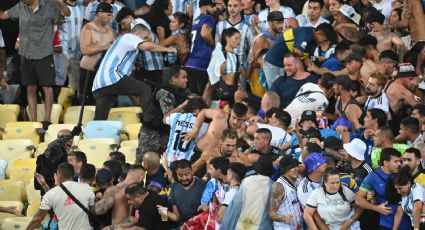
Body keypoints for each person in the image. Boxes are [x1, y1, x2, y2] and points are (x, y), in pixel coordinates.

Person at [0, 0, 70, 129]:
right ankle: (34, 120)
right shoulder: (21, 7)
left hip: (44, 53)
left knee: (47, 88)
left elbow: (67, 13)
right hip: (26, 54)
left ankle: (47, 120)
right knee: (30, 88)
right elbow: (3, 15)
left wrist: (60, 3)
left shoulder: (49, 6)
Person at [92, 23, 176, 120]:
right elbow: (146, 47)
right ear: (137, 33)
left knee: (100, 119)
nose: (146, 40)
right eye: (145, 37)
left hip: (99, 85)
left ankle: (95, 133)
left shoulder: (122, 43)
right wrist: (167, 49)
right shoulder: (129, 37)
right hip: (112, 78)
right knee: (145, 89)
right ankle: (149, 121)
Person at [138, 65, 195, 162]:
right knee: (145, 163)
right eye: (183, 77)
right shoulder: (164, 92)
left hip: (167, 135)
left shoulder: (184, 91)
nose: (187, 80)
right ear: (174, 78)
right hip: (151, 135)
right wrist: (184, 105)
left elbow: (198, 100)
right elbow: (169, 117)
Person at [26, 163, 95, 230]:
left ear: (59, 176)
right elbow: (92, 213)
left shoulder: (51, 194)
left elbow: (37, 219)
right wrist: (44, 184)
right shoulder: (87, 188)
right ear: (73, 175)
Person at [356, 148, 412, 229]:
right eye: (395, 161)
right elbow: (358, 199)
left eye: (400, 161)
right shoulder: (373, 177)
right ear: (385, 162)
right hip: (386, 225)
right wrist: (376, 208)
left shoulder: (404, 173)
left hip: (408, 224)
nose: (399, 164)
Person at [220, 156, 275, 230]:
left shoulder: (247, 181)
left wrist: (226, 228)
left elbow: (236, 207)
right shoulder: (273, 185)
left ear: (257, 169)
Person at [184, 102, 248, 163]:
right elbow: (203, 112)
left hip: (214, 160)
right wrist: (195, 130)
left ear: (244, 117)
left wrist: (240, 138)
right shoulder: (220, 114)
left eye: (239, 119)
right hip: (198, 150)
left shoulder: (243, 130)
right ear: (231, 112)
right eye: (234, 117)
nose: (235, 122)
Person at [79, 2, 114, 105]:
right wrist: (105, 47)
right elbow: (85, 50)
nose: (111, 17)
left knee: (103, 103)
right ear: (99, 13)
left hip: (103, 74)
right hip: (88, 73)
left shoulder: (110, 31)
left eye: (111, 15)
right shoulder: (88, 28)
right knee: (86, 105)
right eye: (108, 14)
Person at [164, 97, 208, 166]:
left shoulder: (175, 116)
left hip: (167, 161)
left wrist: (181, 106)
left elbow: (164, 119)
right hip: (185, 166)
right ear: (197, 110)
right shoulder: (204, 126)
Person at [185, 0, 216, 96]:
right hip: (201, 62)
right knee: (201, 96)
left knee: (192, 96)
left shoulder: (196, 20)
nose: (215, 10)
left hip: (190, 62)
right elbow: (204, 33)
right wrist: (214, 45)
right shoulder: (208, 18)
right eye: (213, 7)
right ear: (207, 7)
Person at [167, 159, 207, 226]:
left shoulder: (205, 186)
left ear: (192, 171)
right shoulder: (172, 188)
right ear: (176, 174)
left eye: (187, 174)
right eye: (180, 175)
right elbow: (176, 216)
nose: (184, 178)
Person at [214, 0, 254, 66]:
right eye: (230, 6)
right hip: (223, 66)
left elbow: (252, 48)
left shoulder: (247, 28)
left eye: (235, 6)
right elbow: (217, 46)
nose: (232, 9)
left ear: (241, 7)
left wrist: (246, 65)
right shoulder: (219, 25)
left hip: (240, 69)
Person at [269, 154, 303, 230]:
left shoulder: (299, 179)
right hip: (284, 227)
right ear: (285, 169)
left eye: (297, 166)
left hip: (299, 226)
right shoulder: (279, 187)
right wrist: (283, 218)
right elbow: (271, 213)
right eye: (292, 167)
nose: (296, 169)